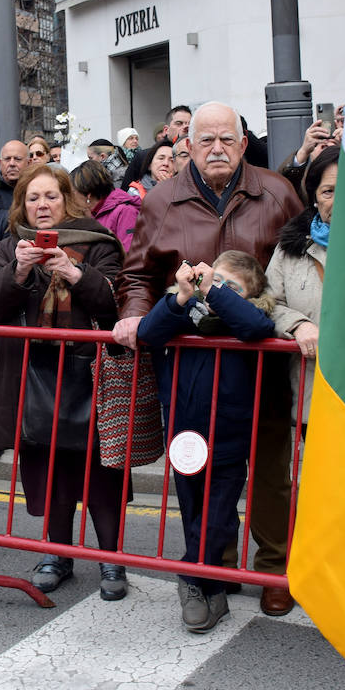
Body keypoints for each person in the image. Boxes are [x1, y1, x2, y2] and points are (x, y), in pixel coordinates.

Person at [114, 100, 303, 616]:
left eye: (227, 139)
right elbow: (137, 275)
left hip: (260, 359)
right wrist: (134, 314)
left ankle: (272, 568)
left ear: (244, 144)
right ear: (187, 146)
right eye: (206, 140)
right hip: (191, 371)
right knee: (197, 467)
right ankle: (211, 564)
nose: (216, 148)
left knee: (268, 468)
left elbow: (297, 266)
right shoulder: (161, 201)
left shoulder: (278, 192)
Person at [0, 164, 127, 599]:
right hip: (34, 377)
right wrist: (18, 271)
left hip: (91, 374)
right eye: (33, 198)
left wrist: (75, 273)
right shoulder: (10, 246)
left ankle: (113, 561)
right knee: (49, 469)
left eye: (51, 196)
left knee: (101, 473)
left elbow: (116, 299)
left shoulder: (97, 241)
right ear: (22, 204)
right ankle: (55, 554)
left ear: (68, 200)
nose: (42, 206)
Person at [138, 252, 276, 632]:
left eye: (231, 286)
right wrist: (181, 296)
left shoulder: (244, 319)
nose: (213, 289)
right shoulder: (183, 312)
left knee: (217, 513)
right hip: (185, 435)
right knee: (194, 511)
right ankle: (211, 589)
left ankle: (190, 576)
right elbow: (147, 333)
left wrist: (215, 290)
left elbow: (257, 327)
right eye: (213, 280)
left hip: (229, 436)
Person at [265, 147, 337, 425]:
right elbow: (269, 302)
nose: (338, 199)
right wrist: (297, 324)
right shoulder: (291, 248)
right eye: (328, 191)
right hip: (314, 392)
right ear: (315, 199)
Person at [70, 160, 140, 251]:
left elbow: (130, 253)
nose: (71, 197)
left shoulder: (125, 212)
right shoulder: (92, 212)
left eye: (73, 192)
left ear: (88, 195)